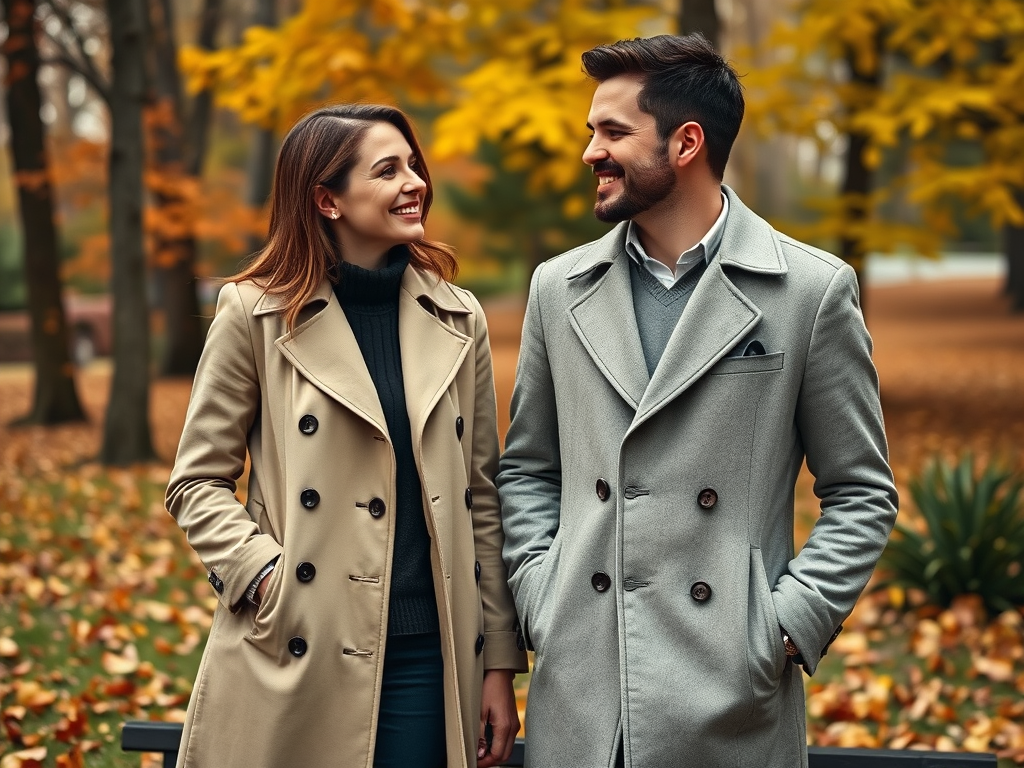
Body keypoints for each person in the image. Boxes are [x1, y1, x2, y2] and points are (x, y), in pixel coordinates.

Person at [497, 34, 899, 768]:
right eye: (592, 131)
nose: (590, 151)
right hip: (581, 687)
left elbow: (861, 493)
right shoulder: (557, 288)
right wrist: (541, 596)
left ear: (686, 143)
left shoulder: (809, 292)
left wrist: (782, 626)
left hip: (727, 694)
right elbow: (527, 469)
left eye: (613, 132)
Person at [166, 103, 527, 768]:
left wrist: (498, 661)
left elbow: (481, 498)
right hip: (300, 641)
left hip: (430, 653)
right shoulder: (254, 313)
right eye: (387, 170)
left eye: (412, 165)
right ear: (327, 200)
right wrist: (266, 577)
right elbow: (195, 483)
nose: (414, 181)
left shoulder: (459, 316)